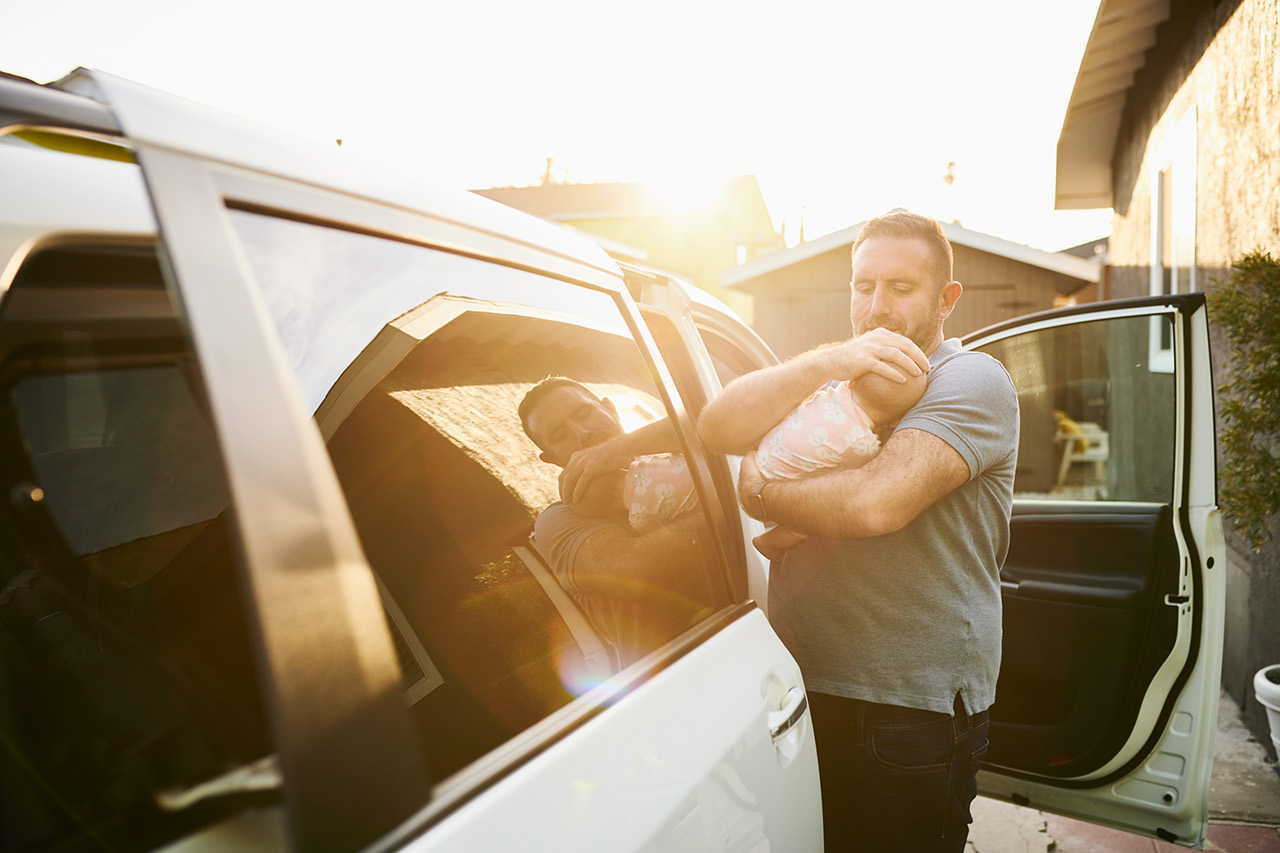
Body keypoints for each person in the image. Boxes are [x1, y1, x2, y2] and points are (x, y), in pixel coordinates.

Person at [697, 211, 1019, 852]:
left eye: (901, 288)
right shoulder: (840, 376)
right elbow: (715, 427)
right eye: (863, 286)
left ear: (945, 299)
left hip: (905, 712)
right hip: (797, 688)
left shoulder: (971, 380)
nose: (877, 307)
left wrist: (761, 493)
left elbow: (875, 505)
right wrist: (827, 363)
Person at [518, 377, 714, 669]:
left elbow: (725, 417)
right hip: (684, 669)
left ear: (610, 408)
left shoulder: (671, 452)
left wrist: (613, 451)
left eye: (583, 413)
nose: (582, 433)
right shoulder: (559, 520)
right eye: (560, 435)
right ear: (552, 459)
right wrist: (735, 500)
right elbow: (634, 573)